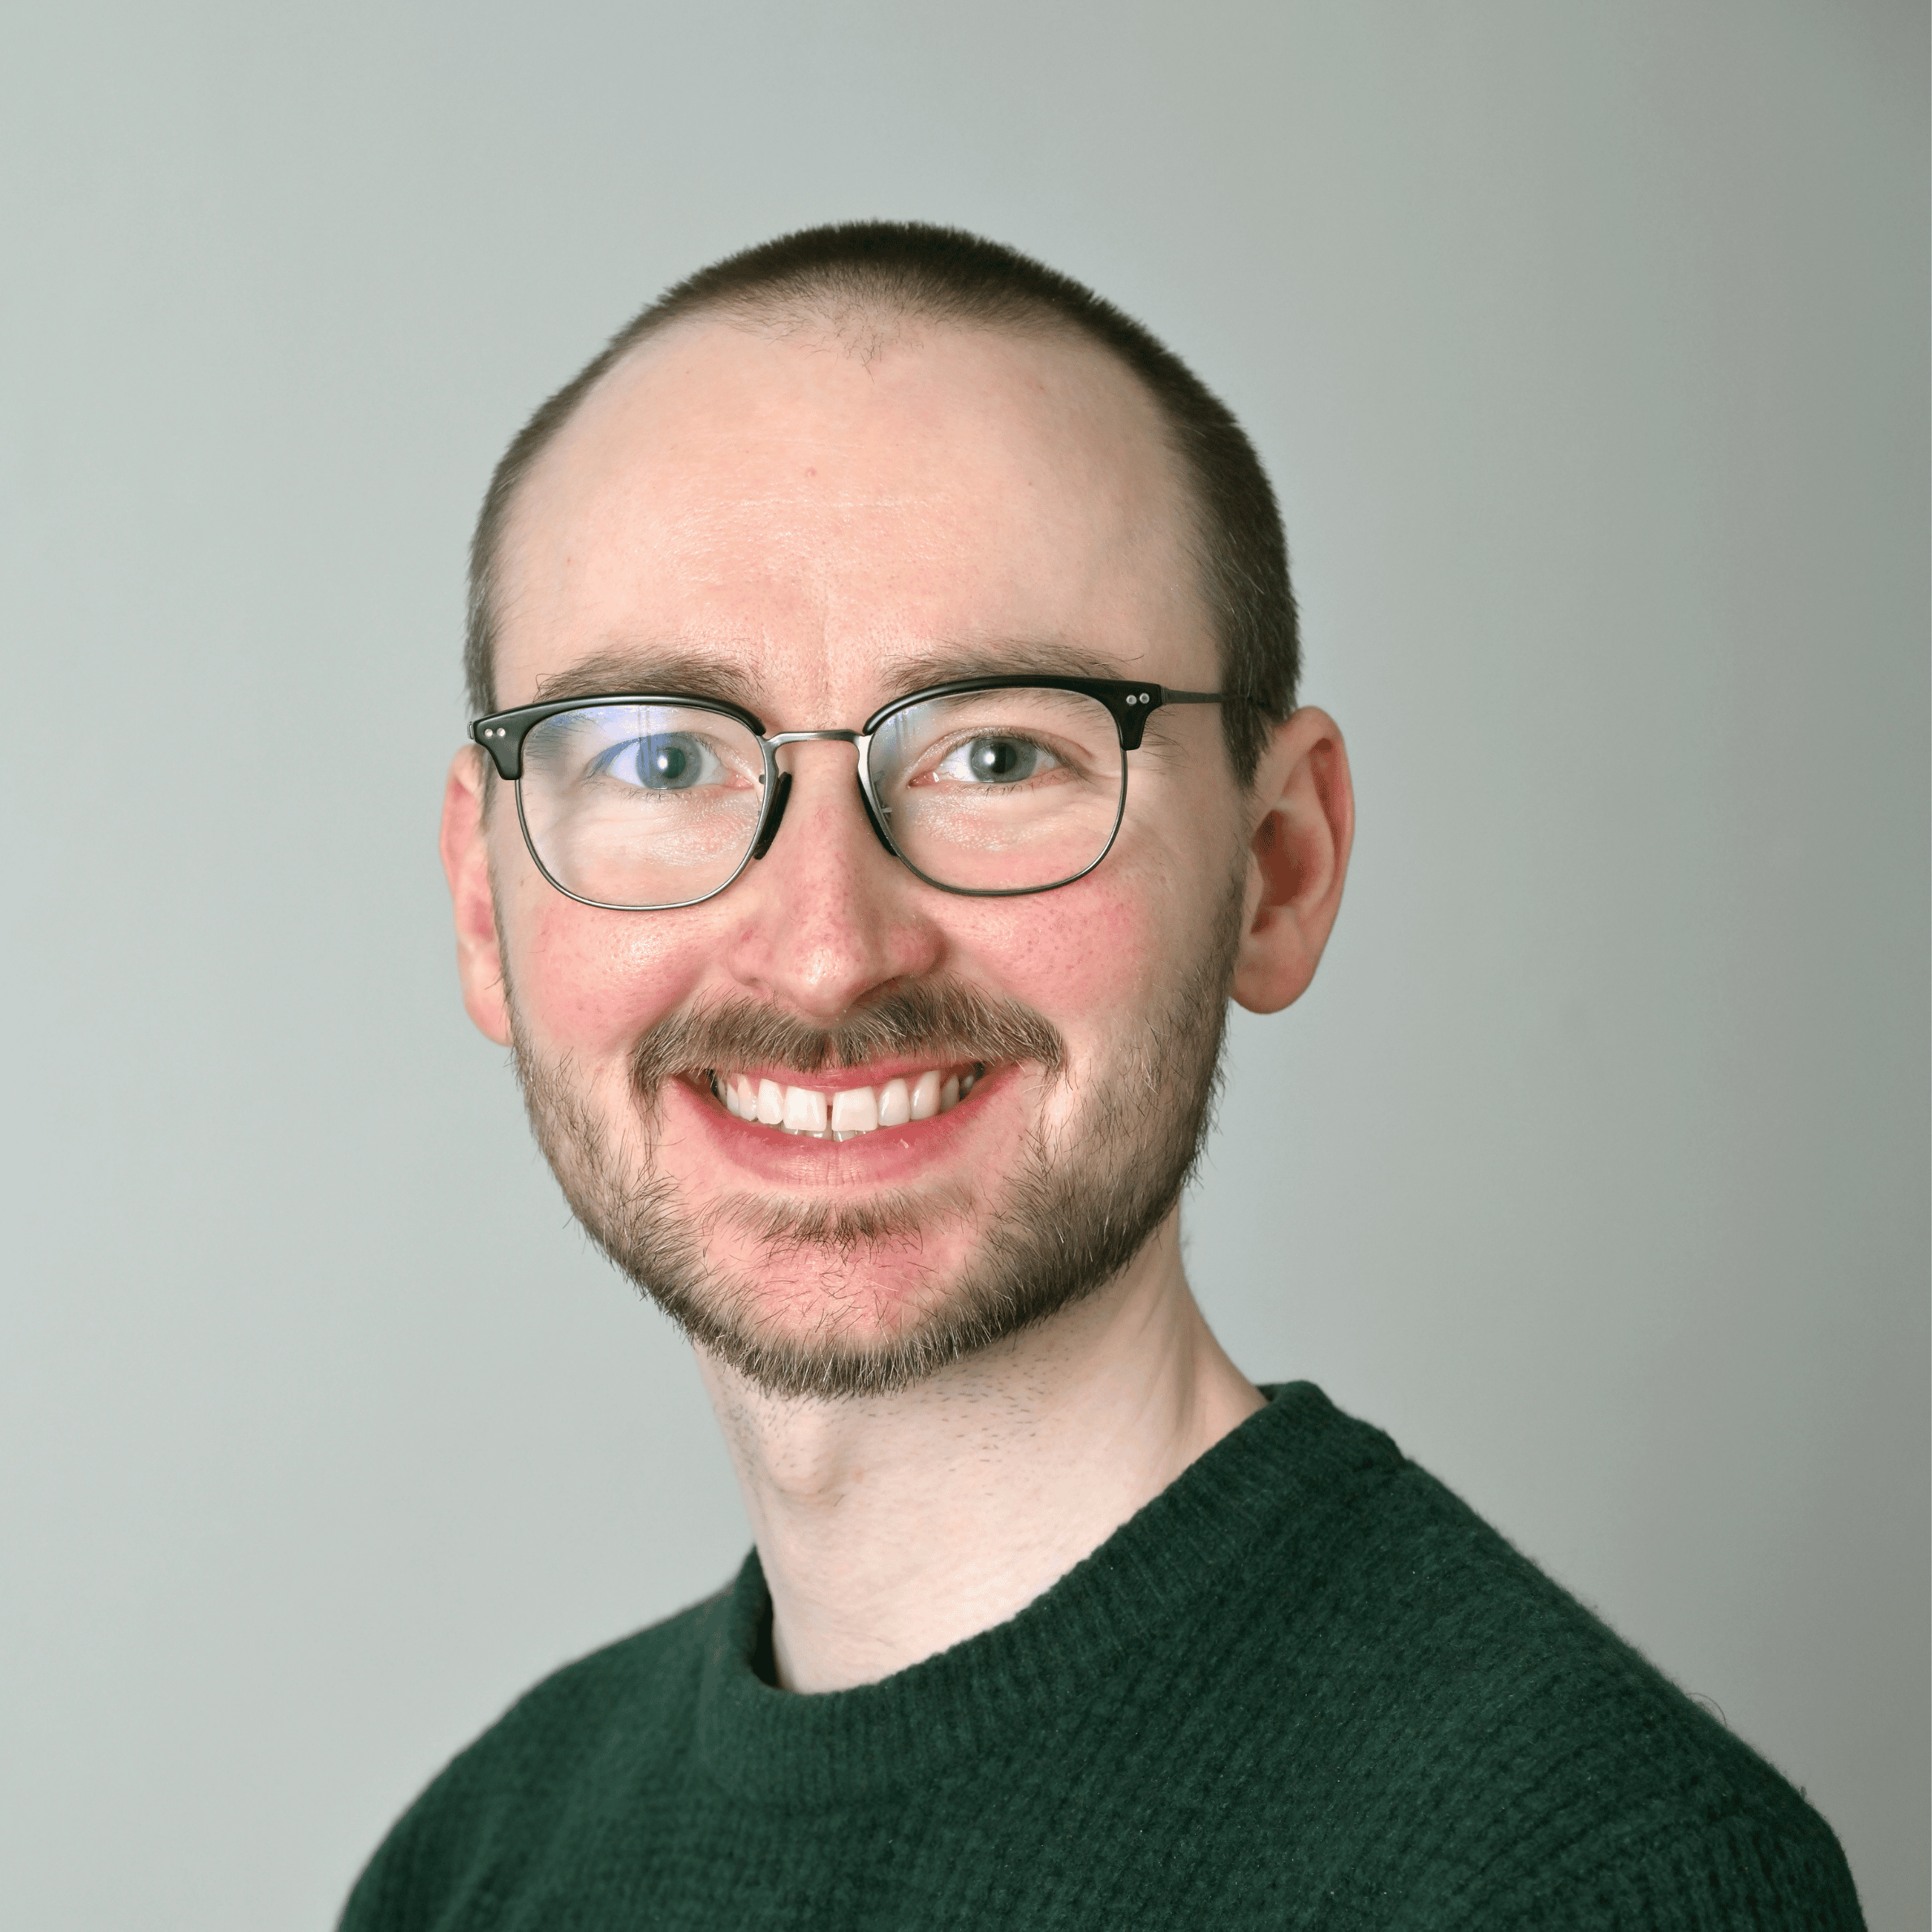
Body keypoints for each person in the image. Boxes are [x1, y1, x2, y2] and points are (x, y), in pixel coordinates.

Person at [342, 222, 1863, 1929]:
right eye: (659, 759)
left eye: (999, 754)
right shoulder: (485, 1858)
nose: (826, 948)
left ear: (1275, 866)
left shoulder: (1593, 1881)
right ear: (482, 900)